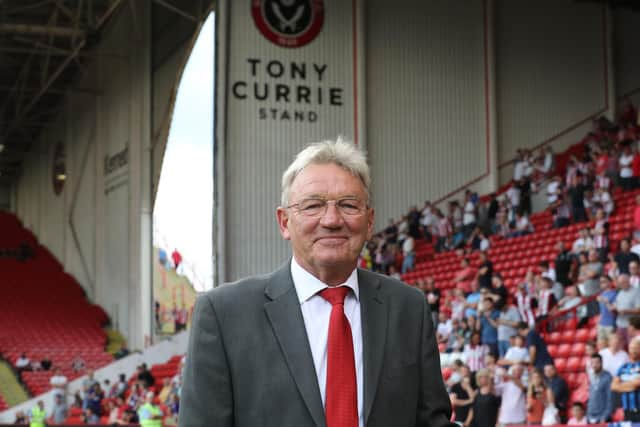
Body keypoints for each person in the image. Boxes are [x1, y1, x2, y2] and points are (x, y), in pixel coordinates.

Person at [179, 140, 454, 427]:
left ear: (370, 222)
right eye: (313, 206)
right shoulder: (224, 314)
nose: (332, 220)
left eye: (349, 205)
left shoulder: (408, 308)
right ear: (284, 222)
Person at [612, 337, 640, 422]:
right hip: (627, 410)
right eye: (631, 348)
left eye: (636, 348)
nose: (633, 351)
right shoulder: (623, 367)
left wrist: (622, 386)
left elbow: (637, 384)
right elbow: (614, 386)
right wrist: (631, 385)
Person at [586, 354, 613, 423]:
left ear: (601, 363)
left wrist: (605, 416)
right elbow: (590, 397)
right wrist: (588, 415)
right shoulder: (591, 376)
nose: (594, 365)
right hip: (591, 417)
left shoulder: (607, 378)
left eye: (597, 362)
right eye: (592, 363)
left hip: (602, 418)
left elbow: (610, 399)